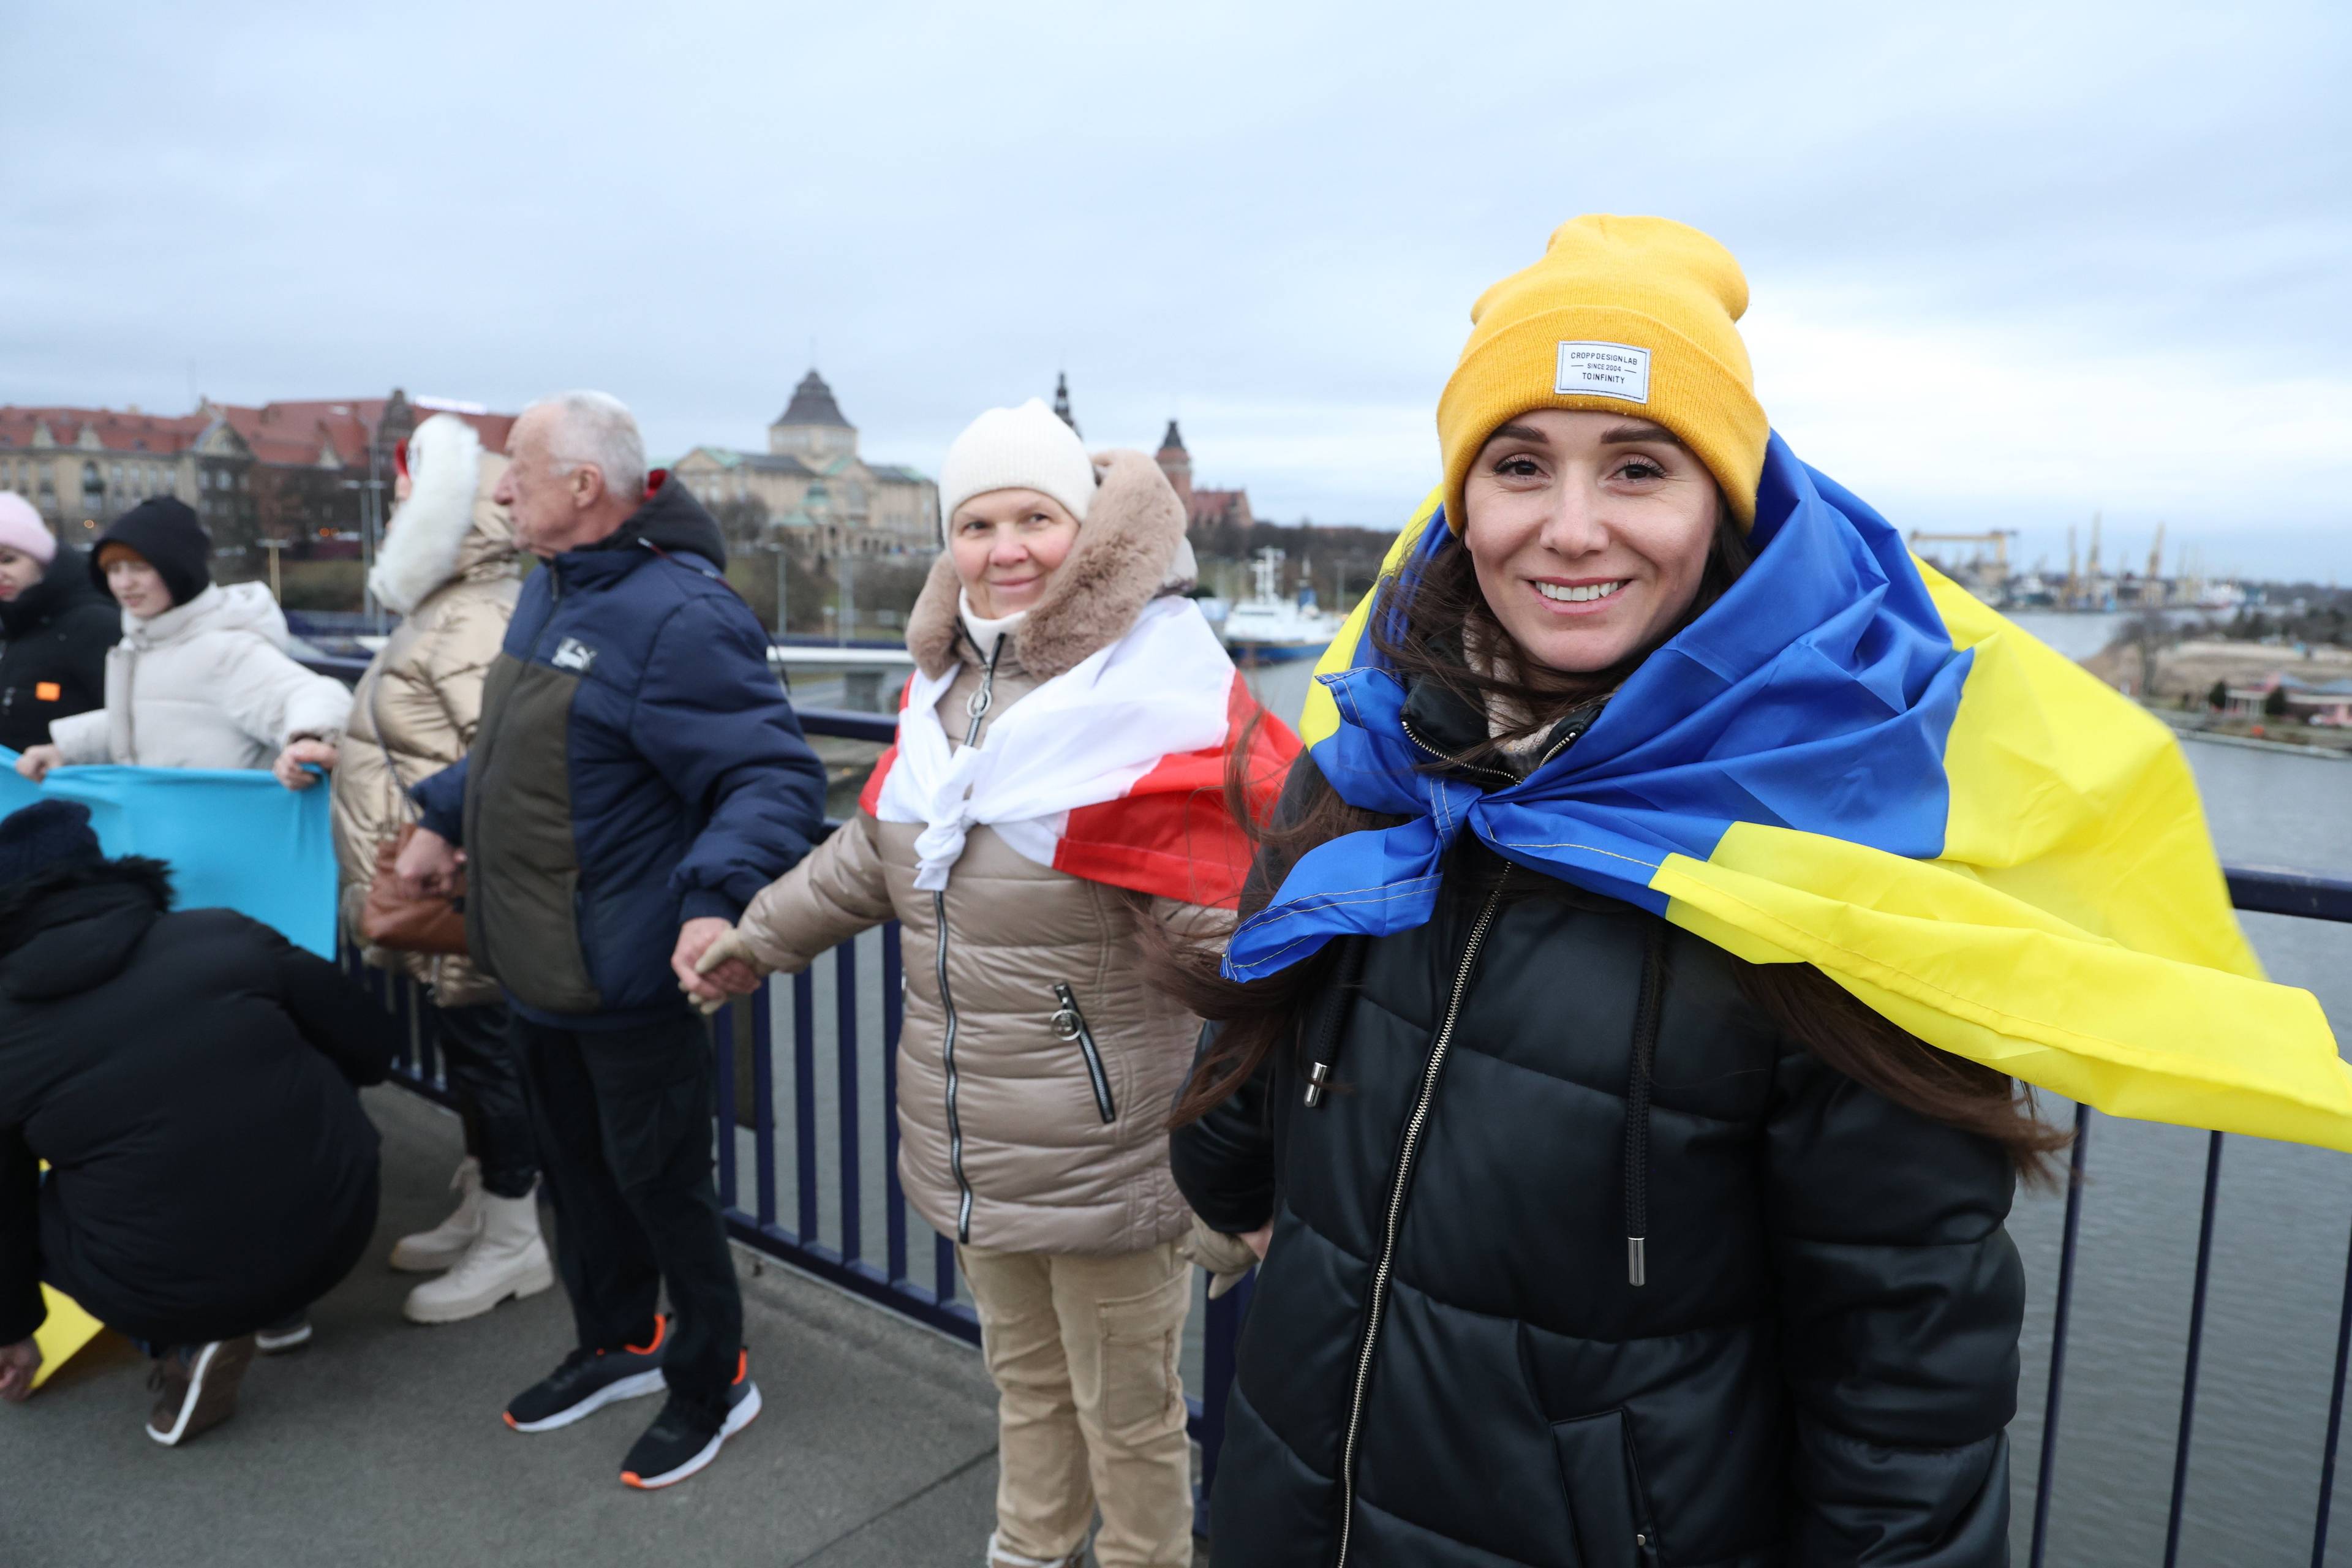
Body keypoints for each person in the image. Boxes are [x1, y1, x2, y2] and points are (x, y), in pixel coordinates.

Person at [1163, 217, 2049, 1565]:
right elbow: (1235, 1117)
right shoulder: (1377, 764)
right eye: (1521, 465)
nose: (1571, 531)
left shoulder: (1833, 843)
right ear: (1463, 502)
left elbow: (1904, 1385)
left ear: (1726, 506)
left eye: (1638, 466)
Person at [693, 399, 1295, 1568]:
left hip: (1106, 1151)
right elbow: (873, 857)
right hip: (969, 1140)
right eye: (975, 523)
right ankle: (1029, 1545)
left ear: (1092, 531)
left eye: (1035, 517)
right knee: (1023, 1384)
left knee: (1130, 1416)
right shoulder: (947, 696)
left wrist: (1257, 1158)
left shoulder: (1151, 703)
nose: (1003, 548)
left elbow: (1248, 946)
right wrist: (753, 939)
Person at [394, 390, 826, 1491]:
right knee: (578, 1183)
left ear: (585, 488)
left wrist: (714, 894)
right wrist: (446, 812)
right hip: (535, 961)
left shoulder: (681, 615)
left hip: (629, 973)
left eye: (518, 474)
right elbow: (528, 749)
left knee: (662, 1188)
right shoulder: (558, 586)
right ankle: (620, 1343)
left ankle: (711, 1380)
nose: (499, 492)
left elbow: (771, 775)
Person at [0, 801, 396, 1444]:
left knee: (34, 1199)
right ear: (105, 872)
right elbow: (373, 1043)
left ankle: (181, 1344)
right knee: (282, 1068)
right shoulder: (223, 932)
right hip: (341, 1221)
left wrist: (13, 1329)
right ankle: (282, 1307)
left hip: (173, 1285)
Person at [330, 412, 549, 1325]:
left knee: (493, 1064)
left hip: (459, 891)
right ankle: (488, 1209)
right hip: (440, 885)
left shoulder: (470, 618)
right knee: (476, 1061)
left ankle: (514, 1241)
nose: (396, 514)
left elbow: (495, 766)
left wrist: (451, 859)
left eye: (414, 498)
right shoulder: (453, 609)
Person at [14, 497, 350, 790]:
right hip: (170, 836)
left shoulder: (225, 649)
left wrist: (308, 742)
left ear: (178, 570)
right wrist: (66, 749)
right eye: (114, 569)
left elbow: (311, 693)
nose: (124, 583)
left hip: (229, 840)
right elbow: (154, 716)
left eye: (139, 567)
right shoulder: (139, 645)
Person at [0, 491, 118, 754]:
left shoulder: (94, 624)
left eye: (8, 559)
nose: (1, 574)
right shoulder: (14, 623)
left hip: (75, 789)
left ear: (41, 561)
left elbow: (130, 723)